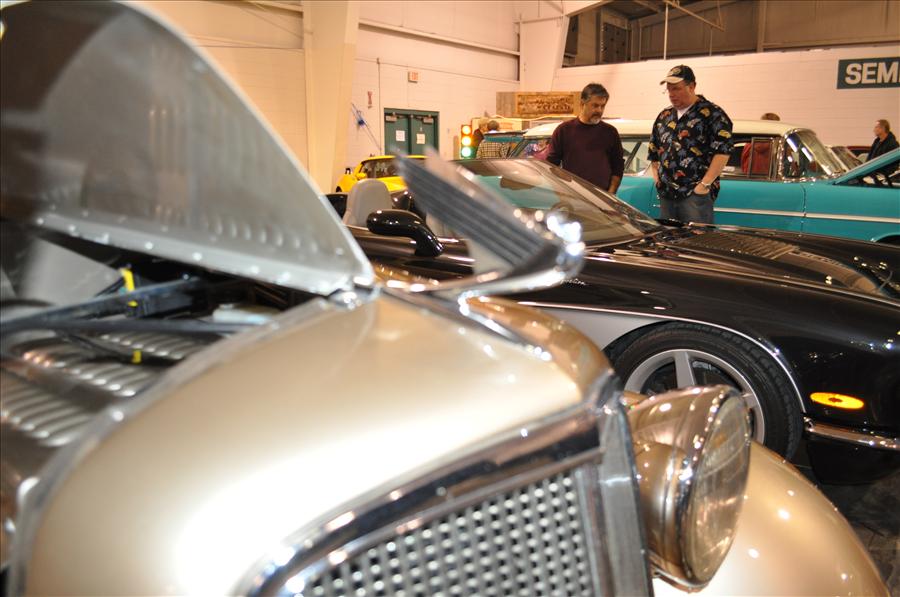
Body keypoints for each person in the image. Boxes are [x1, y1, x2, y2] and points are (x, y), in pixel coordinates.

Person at [648, 65, 733, 224]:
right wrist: (657, 180)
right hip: (667, 194)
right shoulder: (665, 116)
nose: (671, 94)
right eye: (669, 89)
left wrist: (704, 185)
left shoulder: (713, 114)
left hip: (694, 194)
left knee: (697, 237)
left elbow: (723, 151)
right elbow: (654, 150)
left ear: (692, 86)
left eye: (676, 88)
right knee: (668, 237)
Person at [546, 83, 624, 193]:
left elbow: (618, 166)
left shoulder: (610, 132)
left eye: (602, 106)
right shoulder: (564, 130)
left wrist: (611, 193)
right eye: (595, 105)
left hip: (602, 196)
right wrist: (561, 193)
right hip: (573, 195)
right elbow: (551, 165)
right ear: (582, 104)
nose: (599, 110)